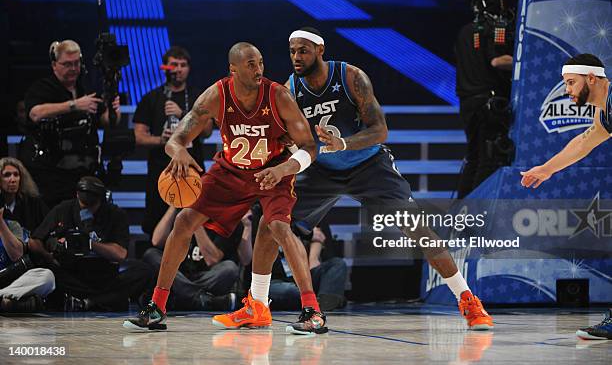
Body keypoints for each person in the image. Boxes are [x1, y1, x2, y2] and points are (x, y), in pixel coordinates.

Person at [253, 27, 492, 330]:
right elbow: (292, 138)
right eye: (292, 51)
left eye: (303, 50)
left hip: (368, 164)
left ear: (320, 50)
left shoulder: (351, 77)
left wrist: (344, 143)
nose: (296, 57)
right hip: (323, 170)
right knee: (269, 223)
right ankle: (257, 306)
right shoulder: (291, 88)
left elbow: (379, 130)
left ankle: (469, 301)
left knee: (416, 226)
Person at [124, 42, 327, 335]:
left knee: (279, 228)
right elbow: (176, 138)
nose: (259, 70)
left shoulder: (278, 96)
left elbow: (310, 147)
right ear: (233, 69)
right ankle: (156, 307)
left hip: (273, 171)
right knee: (183, 221)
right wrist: (177, 151)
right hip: (230, 171)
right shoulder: (216, 95)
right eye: (251, 65)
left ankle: (313, 311)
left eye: (260, 63)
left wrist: (283, 169)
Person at [520, 53, 611, 340]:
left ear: (592, 79)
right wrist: (547, 169)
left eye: (571, 83)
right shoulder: (605, 110)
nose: (568, 91)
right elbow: (585, 141)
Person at [28, 176, 154, 311]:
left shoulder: (116, 214)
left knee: (143, 271)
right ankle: (103, 301)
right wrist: (49, 256)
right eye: (83, 205)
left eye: (91, 206)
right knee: (44, 269)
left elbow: (120, 254)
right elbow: (33, 241)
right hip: (71, 274)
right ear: (77, 195)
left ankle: (88, 302)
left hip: (103, 275)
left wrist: (90, 243)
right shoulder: (63, 209)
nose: (86, 210)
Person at [21, 40, 121, 208]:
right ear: (54, 65)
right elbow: (35, 113)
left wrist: (114, 111)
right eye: (67, 64)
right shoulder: (43, 87)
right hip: (50, 172)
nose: (73, 68)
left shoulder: (87, 88)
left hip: (84, 170)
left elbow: (106, 121)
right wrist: (74, 105)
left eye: (76, 63)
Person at [133, 46, 211, 236]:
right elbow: (139, 136)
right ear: (165, 67)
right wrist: (162, 140)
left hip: (192, 168)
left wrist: (183, 114)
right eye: (174, 65)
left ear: (189, 68)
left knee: (195, 221)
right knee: (157, 224)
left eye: (183, 65)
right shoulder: (151, 97)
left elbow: (207, 131)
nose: (178, 69)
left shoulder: (198, 98)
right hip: (161, 169)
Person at [142, 205, 253, 311]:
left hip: (205, 276)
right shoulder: (180, 214)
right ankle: (204, 300)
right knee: (151, 254)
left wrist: (194, 222)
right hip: (178, 275)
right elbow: (156, 241)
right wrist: (174, 206)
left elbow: (212, 259)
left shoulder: (223, 219)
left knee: (229, 268)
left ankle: (182, 297)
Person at [455, 22, 513, 198]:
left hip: (467, 103)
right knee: (487, 161)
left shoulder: (464, 31)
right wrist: (525, 59)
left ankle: (461, 215)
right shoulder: (496, 30)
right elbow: (497, 61)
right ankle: (476, 215)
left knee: (474, 159)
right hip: (487, 105)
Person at [0, 212, 55, 313]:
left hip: (8, 283)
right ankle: (5, 304)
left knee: (47, 277)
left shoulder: (12, 226)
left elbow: (17, 255)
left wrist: (0, 223)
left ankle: (3, 301)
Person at [0, 157, 49, 235]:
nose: (13, 180)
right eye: (7, 175)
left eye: (16, 175)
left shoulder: (34, 203)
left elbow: (49, 227)